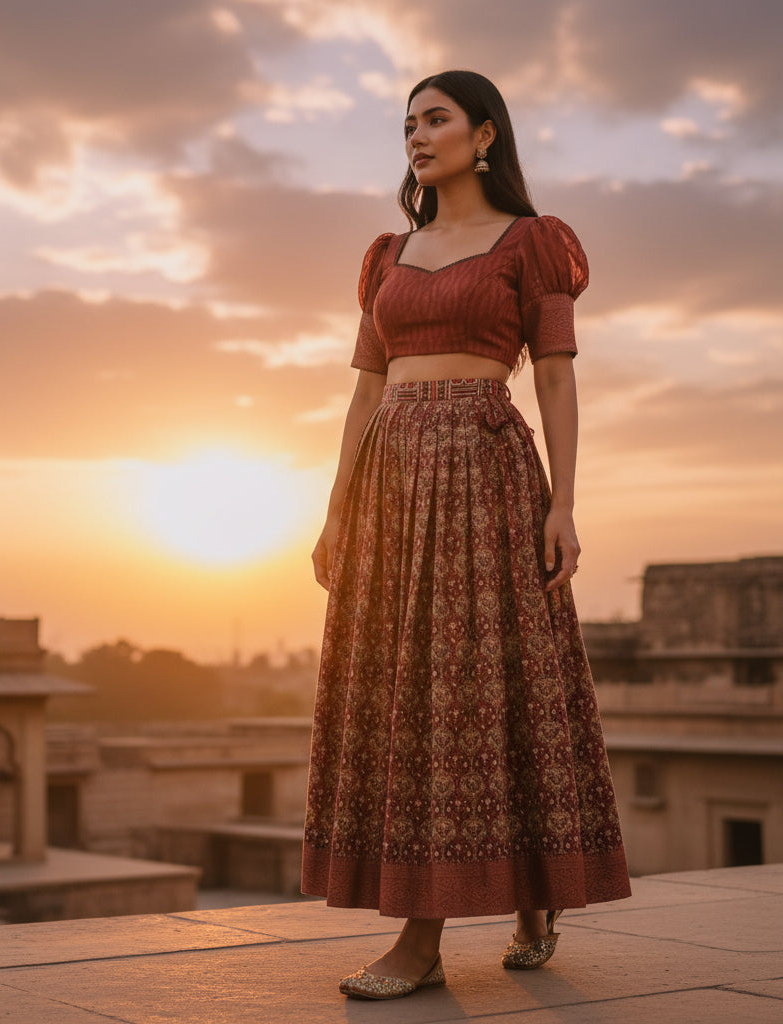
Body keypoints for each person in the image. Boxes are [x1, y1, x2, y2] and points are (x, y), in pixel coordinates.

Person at [301, 70, 632, 1001]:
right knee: (406, 689)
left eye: (436, 118)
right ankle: (517, 902)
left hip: (484, 469)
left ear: (484, 135)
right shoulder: (389, 255)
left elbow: (557, 378)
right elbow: (366, 390)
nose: (416, 135)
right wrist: (335, 510)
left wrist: (564, 504)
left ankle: (424, 938)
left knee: (479, 685)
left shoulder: (533, 243)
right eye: (407, 123)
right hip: (391, 478)